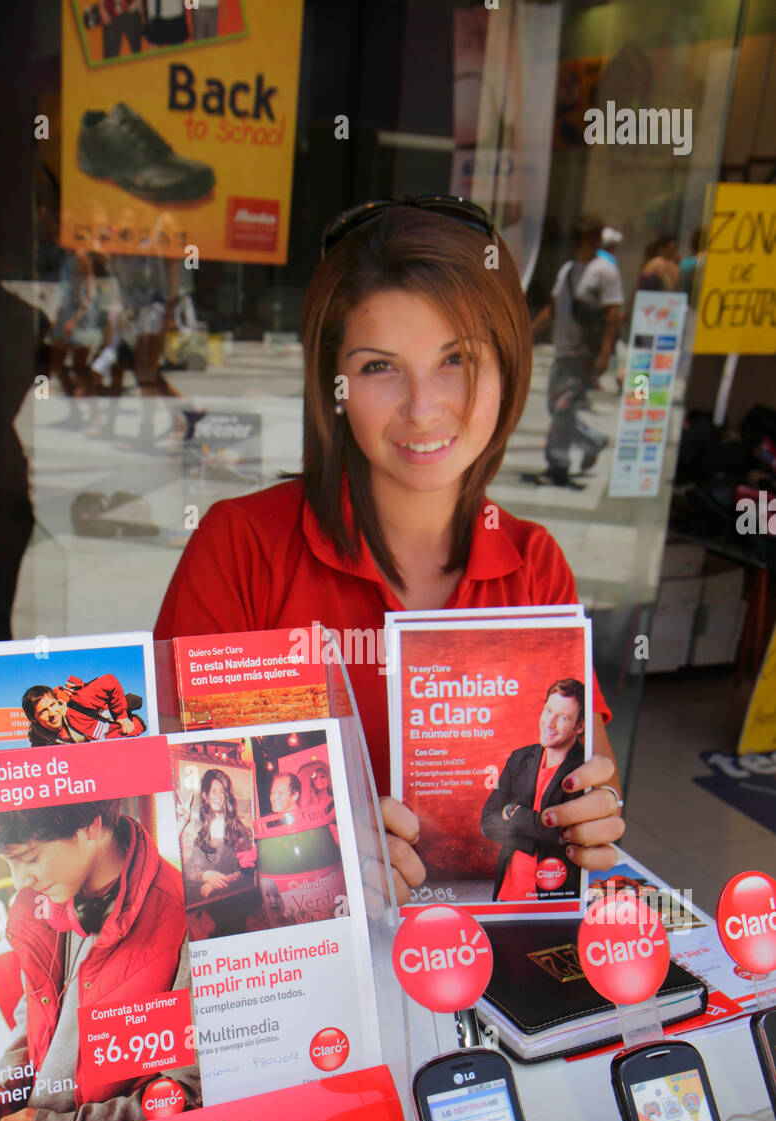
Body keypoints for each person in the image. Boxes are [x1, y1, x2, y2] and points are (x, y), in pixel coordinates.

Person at [155, 198, 625, 904]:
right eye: (379, 367)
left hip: (480, 963)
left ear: (508, 368)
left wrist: (589, 813)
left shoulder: (533, 564)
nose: (425, 407)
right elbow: (175, 804)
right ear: (333, 388)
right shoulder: (241, 548)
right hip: (296, 966)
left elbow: (592, 770)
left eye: (458, 359)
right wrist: (329, 845)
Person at [0, 799, 199, 1121]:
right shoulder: (47, 903)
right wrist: (4, 1088)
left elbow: (186, 1094)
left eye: (32, 857)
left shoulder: (185, 920)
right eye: (9, 862)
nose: (20, 880)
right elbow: (34, 1017)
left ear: (91, 826)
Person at [531, 216, 624, 487]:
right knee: (557, 406)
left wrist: (604, 353)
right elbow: (553, 307)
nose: (585, 245)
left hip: (582, 353)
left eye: (591, 239)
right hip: (564, 349)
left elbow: (612, 315)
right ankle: (592, 441)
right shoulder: (568, 270)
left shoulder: (605, 271)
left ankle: (557, 465)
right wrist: (528, 332)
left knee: (563, 406)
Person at [480, 678, 587, 903]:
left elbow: (569, 836)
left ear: (580, 726)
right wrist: (539, 835)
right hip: (507, 893)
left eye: (563, 717)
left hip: (554, 894)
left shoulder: (585, 768)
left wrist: (516, 815)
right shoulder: (519, 758)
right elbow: (488, 821)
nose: (550, 722)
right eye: (548, 710)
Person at [181, 768, 253, 903]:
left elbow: (247, 870)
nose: (218, 796)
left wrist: (215, 884)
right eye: (214, 791)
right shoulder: (201, 832)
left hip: (236, 903)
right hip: (206, 906)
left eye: (222, 792)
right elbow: (190, 871)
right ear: (205, 795)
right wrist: (206, 875)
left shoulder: (237, 829)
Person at [22, 675, 145, 746]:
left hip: (119, 729)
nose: (52, 714)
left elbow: (109, 681)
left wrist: (121, 716)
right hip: (93, 752)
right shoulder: (37, 735)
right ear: (34, 719)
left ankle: (124, 705)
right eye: (43, 711)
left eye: (53, 705)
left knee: (134, 720)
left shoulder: (79, 701)